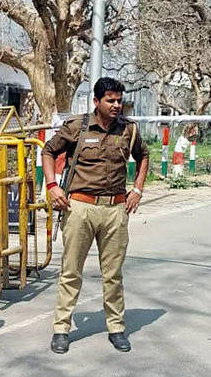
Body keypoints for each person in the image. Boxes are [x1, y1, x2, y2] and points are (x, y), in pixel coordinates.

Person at [42, 77, 149, 354]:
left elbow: (144, 156)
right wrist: (52, 186)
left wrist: (137, 188)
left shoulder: (129, 131)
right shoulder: (77, 128)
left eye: (118, 101)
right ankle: (62, 328)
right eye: (110, 100)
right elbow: (49, 151)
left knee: (112, 274)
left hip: (116, 209)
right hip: (79, 208)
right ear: (96, 102)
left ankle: (116, 327)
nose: (116, 105)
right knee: (71, 271)